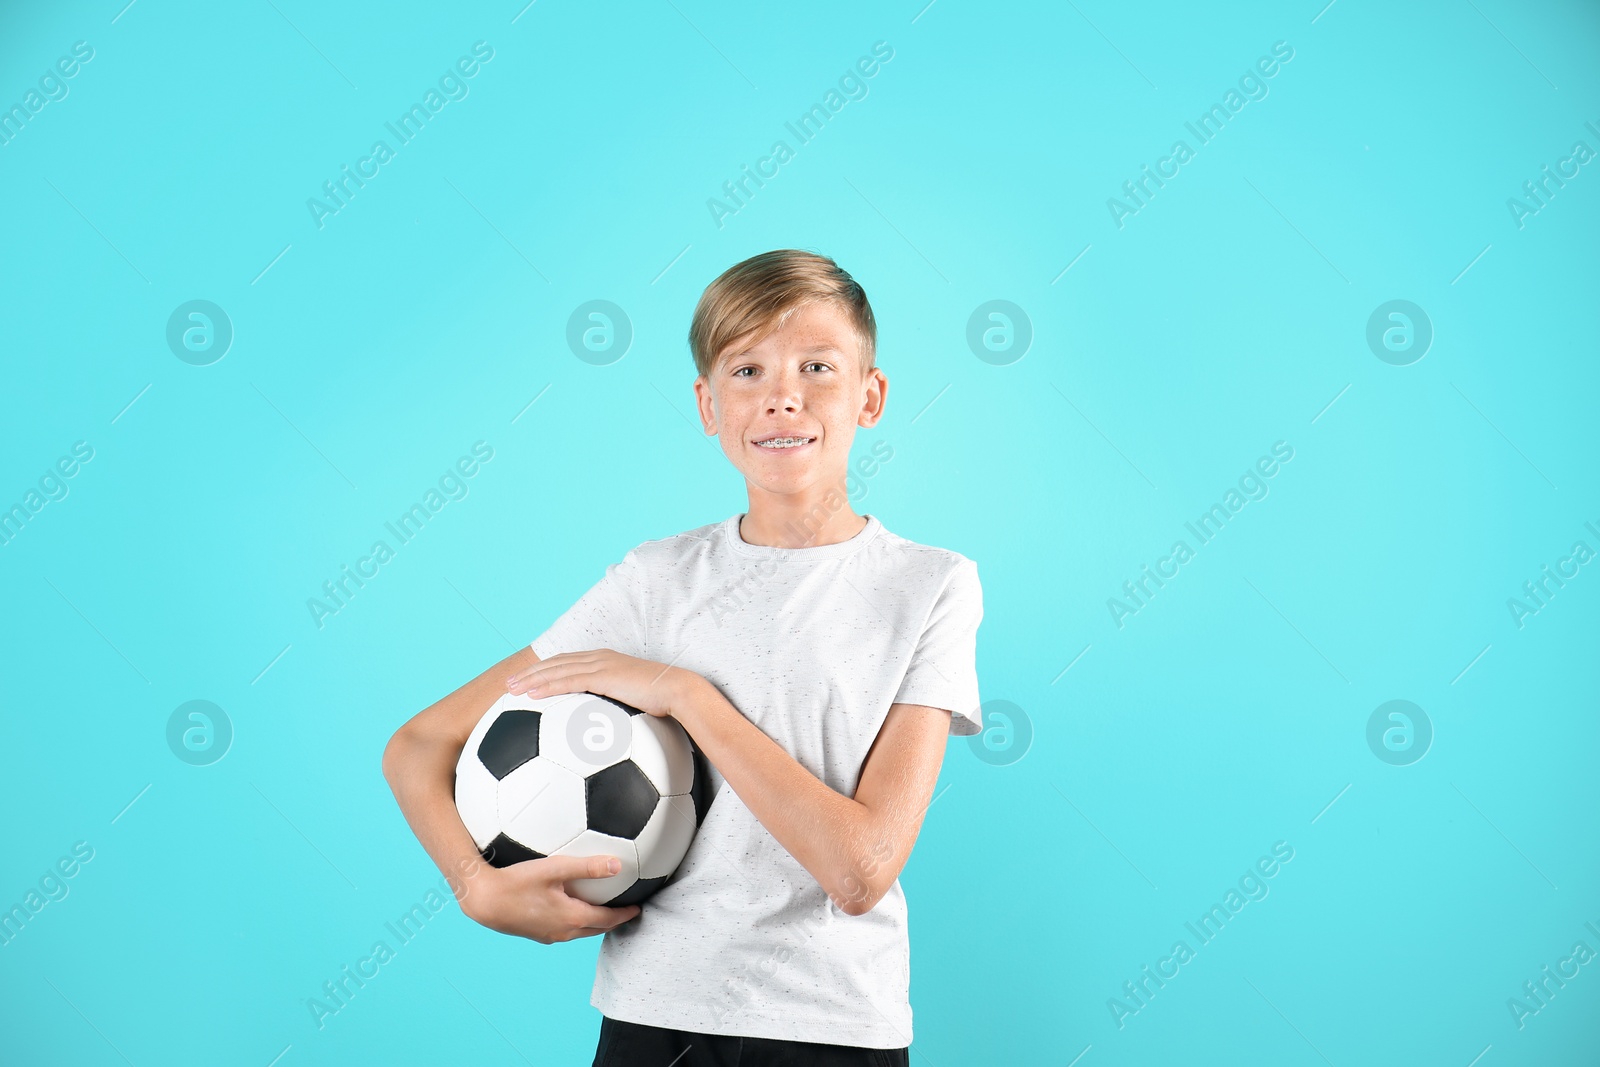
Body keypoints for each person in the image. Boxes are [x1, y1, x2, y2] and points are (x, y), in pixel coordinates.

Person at [383, 249, 984, 1066]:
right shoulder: (655, 581)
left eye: (817, 366)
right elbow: (418, 745)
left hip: (832, 1026)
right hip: (651, 1020)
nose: (782, 395)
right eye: (747, 369)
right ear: (708, 404)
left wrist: (686, 696)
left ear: (870, 395)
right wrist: (474, 882)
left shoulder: (929, 585)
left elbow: (860, 870)